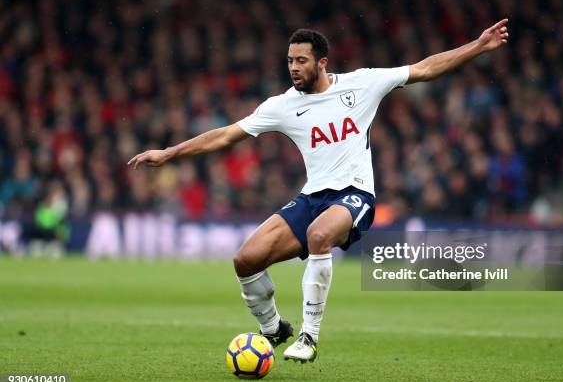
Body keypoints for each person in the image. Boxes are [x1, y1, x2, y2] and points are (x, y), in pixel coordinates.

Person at [128, 19, 509, 363]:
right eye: (290, 61)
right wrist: (170, 152)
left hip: (356, 195)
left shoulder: (362, 83)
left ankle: (309, 337)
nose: (293, 67)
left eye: (301, 61)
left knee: (319, 236)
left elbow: (424, 68)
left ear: (322, 63)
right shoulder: (282, 106)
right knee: (245, 260)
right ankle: (275, 329)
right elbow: (226, 135)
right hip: (313, 197)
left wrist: (476, 46)